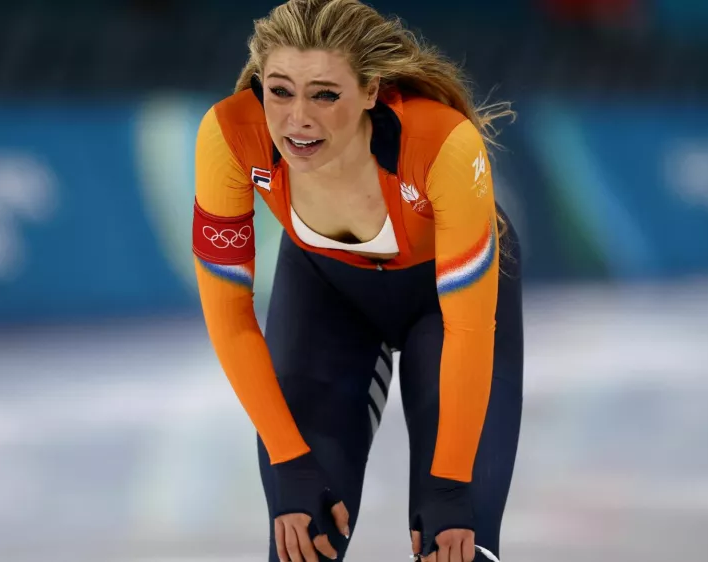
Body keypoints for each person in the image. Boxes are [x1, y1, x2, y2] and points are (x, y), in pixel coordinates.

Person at [190, 1, 523, 560]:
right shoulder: (229, 136)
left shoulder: (441, 143)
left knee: (456, 545)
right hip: (327, 299)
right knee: (302, 543)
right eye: (279, 91)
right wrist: (287, 458)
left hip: (444, 312)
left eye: (325, 94)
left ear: (371, 90)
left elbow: (468, 330)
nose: (298, 119)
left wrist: (449, 486)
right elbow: (229, 317)